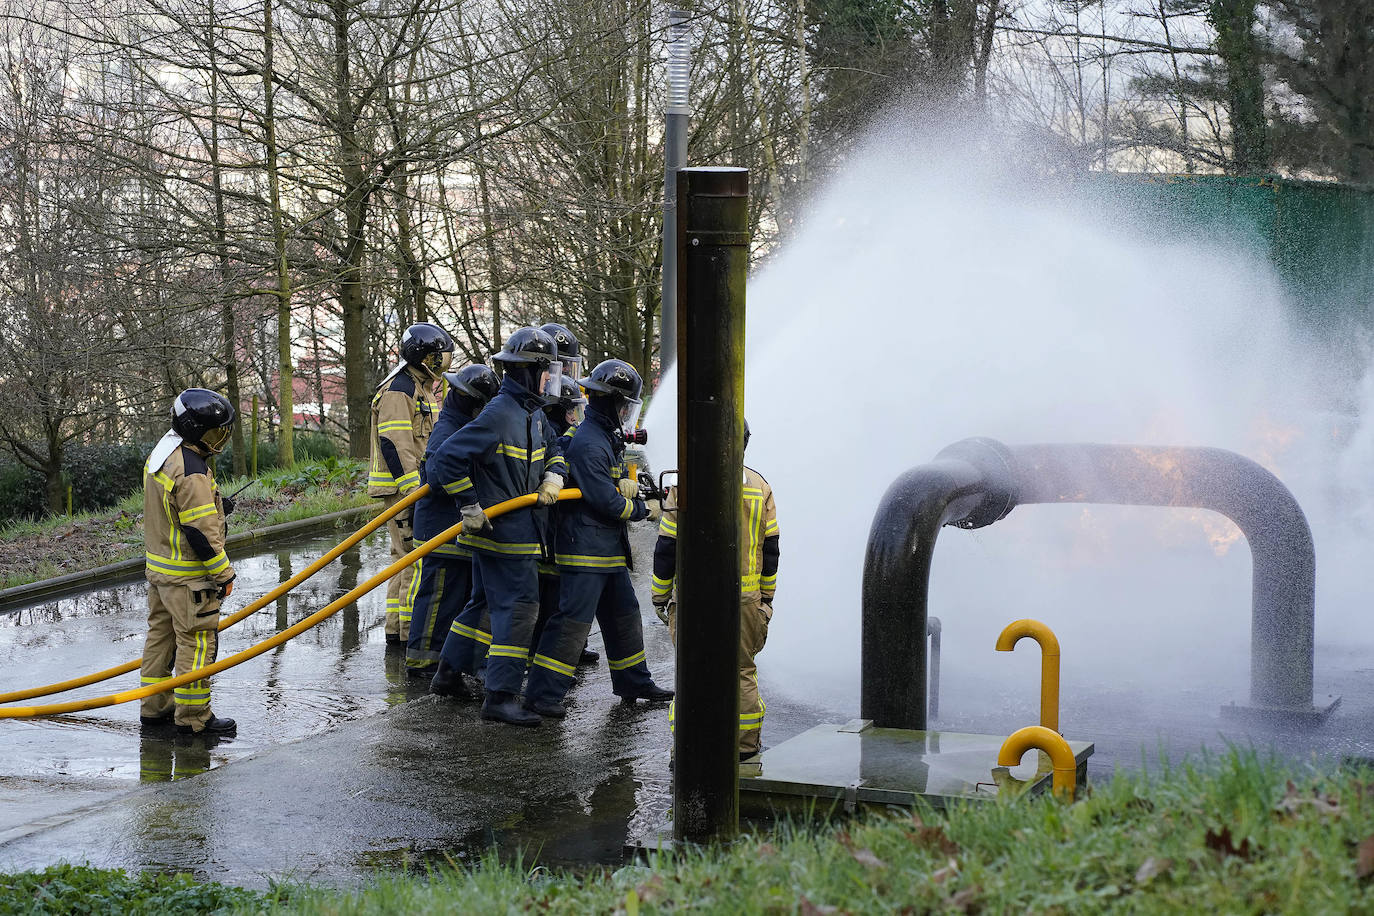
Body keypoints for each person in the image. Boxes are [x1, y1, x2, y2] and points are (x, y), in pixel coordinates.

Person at [427, 326, 567, 726]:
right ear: (526, 373)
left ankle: (448, 674)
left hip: (516, 531)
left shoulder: (532, 413)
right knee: (519, 608)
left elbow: (555, 449)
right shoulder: (499, 414)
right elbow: (444, 461)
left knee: (482, 604)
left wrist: (553, 476)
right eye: (545, 373)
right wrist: (469, 505)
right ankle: (500, 697)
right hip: (506, 537)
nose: (550, 382)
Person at [524, 359, 675, 719]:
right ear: (611, 402)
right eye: (624, 405)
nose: (626, 412)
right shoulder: (588, 442)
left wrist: (625, 480)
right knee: (571, 624)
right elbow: (604, 501)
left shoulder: (603, 435)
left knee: (624, 614)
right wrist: (643, 509)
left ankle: (634, 681)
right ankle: (542, 696)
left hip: (605, 550)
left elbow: (611, 482)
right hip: (584, 551)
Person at [653, 419, 779, 761]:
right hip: (744, 601)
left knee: (692, 672)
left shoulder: (682, 483)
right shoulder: (759, 485)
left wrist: (660, 595)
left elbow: (667, 547)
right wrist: (766, 601)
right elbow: (771, 550)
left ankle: (690, 749)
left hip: (693, 600)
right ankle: (743, 750)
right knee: (741, 672)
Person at [140, 388, 239, 736]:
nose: (218, 440)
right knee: (196, 644)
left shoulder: (163, 453)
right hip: (189, 581)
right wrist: (224, 573)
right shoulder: (194, 469)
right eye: (214, 432)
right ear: (195, 429)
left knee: (159, 641)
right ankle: (194, 719)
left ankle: (154, 708)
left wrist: (216, 506)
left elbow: (175, 510)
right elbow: (200, 533)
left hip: (161, 574)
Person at [404, 363, 500, 676]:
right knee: (437, 598)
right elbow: (437, 475)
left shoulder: (456, 423)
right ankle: (423, 661)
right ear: (476, 405)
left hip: (451, 528)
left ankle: (443, 657)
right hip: (440, 530)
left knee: (453, 598)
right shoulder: (449, 431)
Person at [368, 322, 453, 647]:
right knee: (414, 561)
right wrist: (413, 492)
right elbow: (394, 442)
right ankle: (409, 637)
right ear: (421, 357)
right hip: (404, 491)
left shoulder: (419, 387)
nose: (441, 365)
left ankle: (395, 630)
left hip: (408, 489)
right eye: (436, 359)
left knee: (402, 559)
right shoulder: (400, 389)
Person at [529, 373, 598, 664]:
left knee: (559, 593)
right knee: (549, 596)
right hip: (547, 528)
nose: (574, 416)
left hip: (555, 528)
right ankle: (540, 656)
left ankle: (567, 649)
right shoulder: (552, 436)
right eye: (570, 410)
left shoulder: (553, 434)